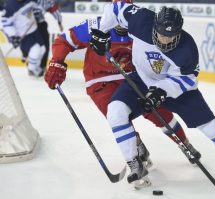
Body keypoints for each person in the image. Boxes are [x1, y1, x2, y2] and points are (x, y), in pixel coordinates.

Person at [89, 1, 215, 187]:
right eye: (162, 34)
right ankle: (134, 162)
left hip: (175, 88)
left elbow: (187, 79)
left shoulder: (187, 48)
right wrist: (101, 31)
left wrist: (161, 91)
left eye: (171, 36)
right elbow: (115, 7)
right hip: (141, 80)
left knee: (211, 126)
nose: (165, 40)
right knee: (115, 112)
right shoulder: (141, 21)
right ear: (155, 26)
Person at [43, 0, 201, 183]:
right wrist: (57, 62)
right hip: (100, 80)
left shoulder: (142, 27)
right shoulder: (96, 25)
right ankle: (137, 154)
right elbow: (64, 40)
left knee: (158, 111)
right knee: (117, 115)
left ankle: (184, 143)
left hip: (133, 77)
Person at [1, 0, 46, 77]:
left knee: (42, 49)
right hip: (23, 34)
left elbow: (36, 6)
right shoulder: (10, 6)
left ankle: (35, 67)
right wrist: (13, 36)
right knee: (36, 50)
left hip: (33, 29)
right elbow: (6, 23)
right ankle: (31, 69)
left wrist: (38, 12)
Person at [21, 0, 63, 74]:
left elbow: (53, 9)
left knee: (45, 46)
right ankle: (27, 57)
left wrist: (59, 22)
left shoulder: (47, 1)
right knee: (31, 44)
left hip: (40, 25)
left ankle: (41, 66)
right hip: (27, 24)